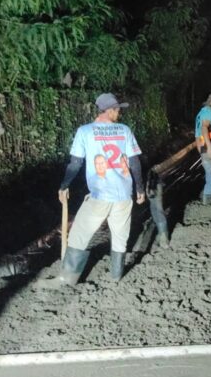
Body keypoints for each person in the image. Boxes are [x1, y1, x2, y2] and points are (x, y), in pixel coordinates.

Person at [54, 93, 145, 285]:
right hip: (123, 195)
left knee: (79, 234)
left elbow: (76, 163)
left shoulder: (85, 131)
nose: (120, 112)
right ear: (109, 110)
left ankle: (67, 278)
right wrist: (140, 189)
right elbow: (134, 162)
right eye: (118, 109)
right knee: (120, 236)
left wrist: (64, 185)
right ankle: (116, 276)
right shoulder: (124, 130)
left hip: (100, 195)